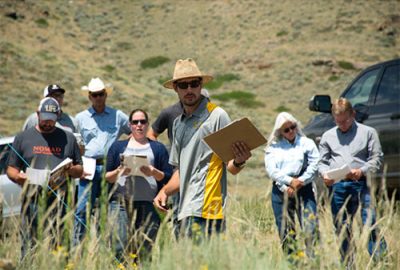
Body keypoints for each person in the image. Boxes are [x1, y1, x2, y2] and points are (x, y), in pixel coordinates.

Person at [153, 58, 251, 238]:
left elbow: (231, 166)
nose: (189, 89)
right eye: (183, 85)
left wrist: (239, 161)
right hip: (183, 210)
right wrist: (164, 191)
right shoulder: (177, 124)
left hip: (208, 209)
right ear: (175, 88)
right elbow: (181, 171)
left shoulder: (217, 115)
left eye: (194, 84)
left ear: (200, 85)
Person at [6, 97, 83, 259]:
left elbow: (79, 169)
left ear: (58, 115)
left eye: (52, 120)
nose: (48, 123)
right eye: (45, 119)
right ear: (37, 114)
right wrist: (21, 178)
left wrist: (69, 170)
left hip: (61, 201)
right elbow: (11, 170)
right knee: (30, 245)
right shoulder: (22, 137)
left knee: (61, 247)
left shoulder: (68, 138)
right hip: (32, 201)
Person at [318, 98, 387, 264]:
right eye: (338, 121)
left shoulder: (368, 132)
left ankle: (381, 262)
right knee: (342, 227)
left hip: (361, 184)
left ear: (353, 114)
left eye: (345, 120)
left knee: (369, 222)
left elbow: (376, 159)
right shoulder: (328, 136)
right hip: (337, 186)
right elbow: (321, 162)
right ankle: (348, 264)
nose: (342, 124)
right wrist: (325, 175)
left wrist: (361, 171)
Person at [105, 109, 172, 261]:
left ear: (148, 125)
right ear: (130, 125)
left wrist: (153, 171)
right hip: (120, 203)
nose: (139, 125)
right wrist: (119, 171)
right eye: (135, 122)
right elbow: (107, 177)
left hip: (148, 203)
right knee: (119, 246)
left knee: (145, 248)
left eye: (142, 122)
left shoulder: (158, 148)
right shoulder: (117, 147)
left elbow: (167, 177)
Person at [73, 77, 131, 244]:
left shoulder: (118, 116)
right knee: (83, 209)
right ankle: (78, 250)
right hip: (89, 165)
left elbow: (134, 131)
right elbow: (75, 143)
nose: (98, 98)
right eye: (95, 95)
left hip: (111, 166)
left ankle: (110, 247)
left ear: (106, 95)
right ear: (89, 97)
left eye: (101, 94)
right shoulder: (80, 118)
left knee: (113, 209)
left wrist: (126, 150)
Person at [147, 88, 210, 238]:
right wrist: (162, 155)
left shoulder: (211, 117)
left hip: (203, 172)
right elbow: (151, 134)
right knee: (178, 212)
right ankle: (180, 243)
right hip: (178, 172)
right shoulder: (170, 113)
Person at [264, 112, 319, 257]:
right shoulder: (273, 147)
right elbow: (272, 170)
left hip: (304, 187)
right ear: (280, 131)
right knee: (286, 231)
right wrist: (288, 184)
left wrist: (300, 181)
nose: (290, 131)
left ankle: (313, 261)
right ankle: (294, 263)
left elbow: (315, 164)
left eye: (293, 127)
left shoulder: (307, 143)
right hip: (281, 190)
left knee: (310, 227)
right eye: (286, 129)